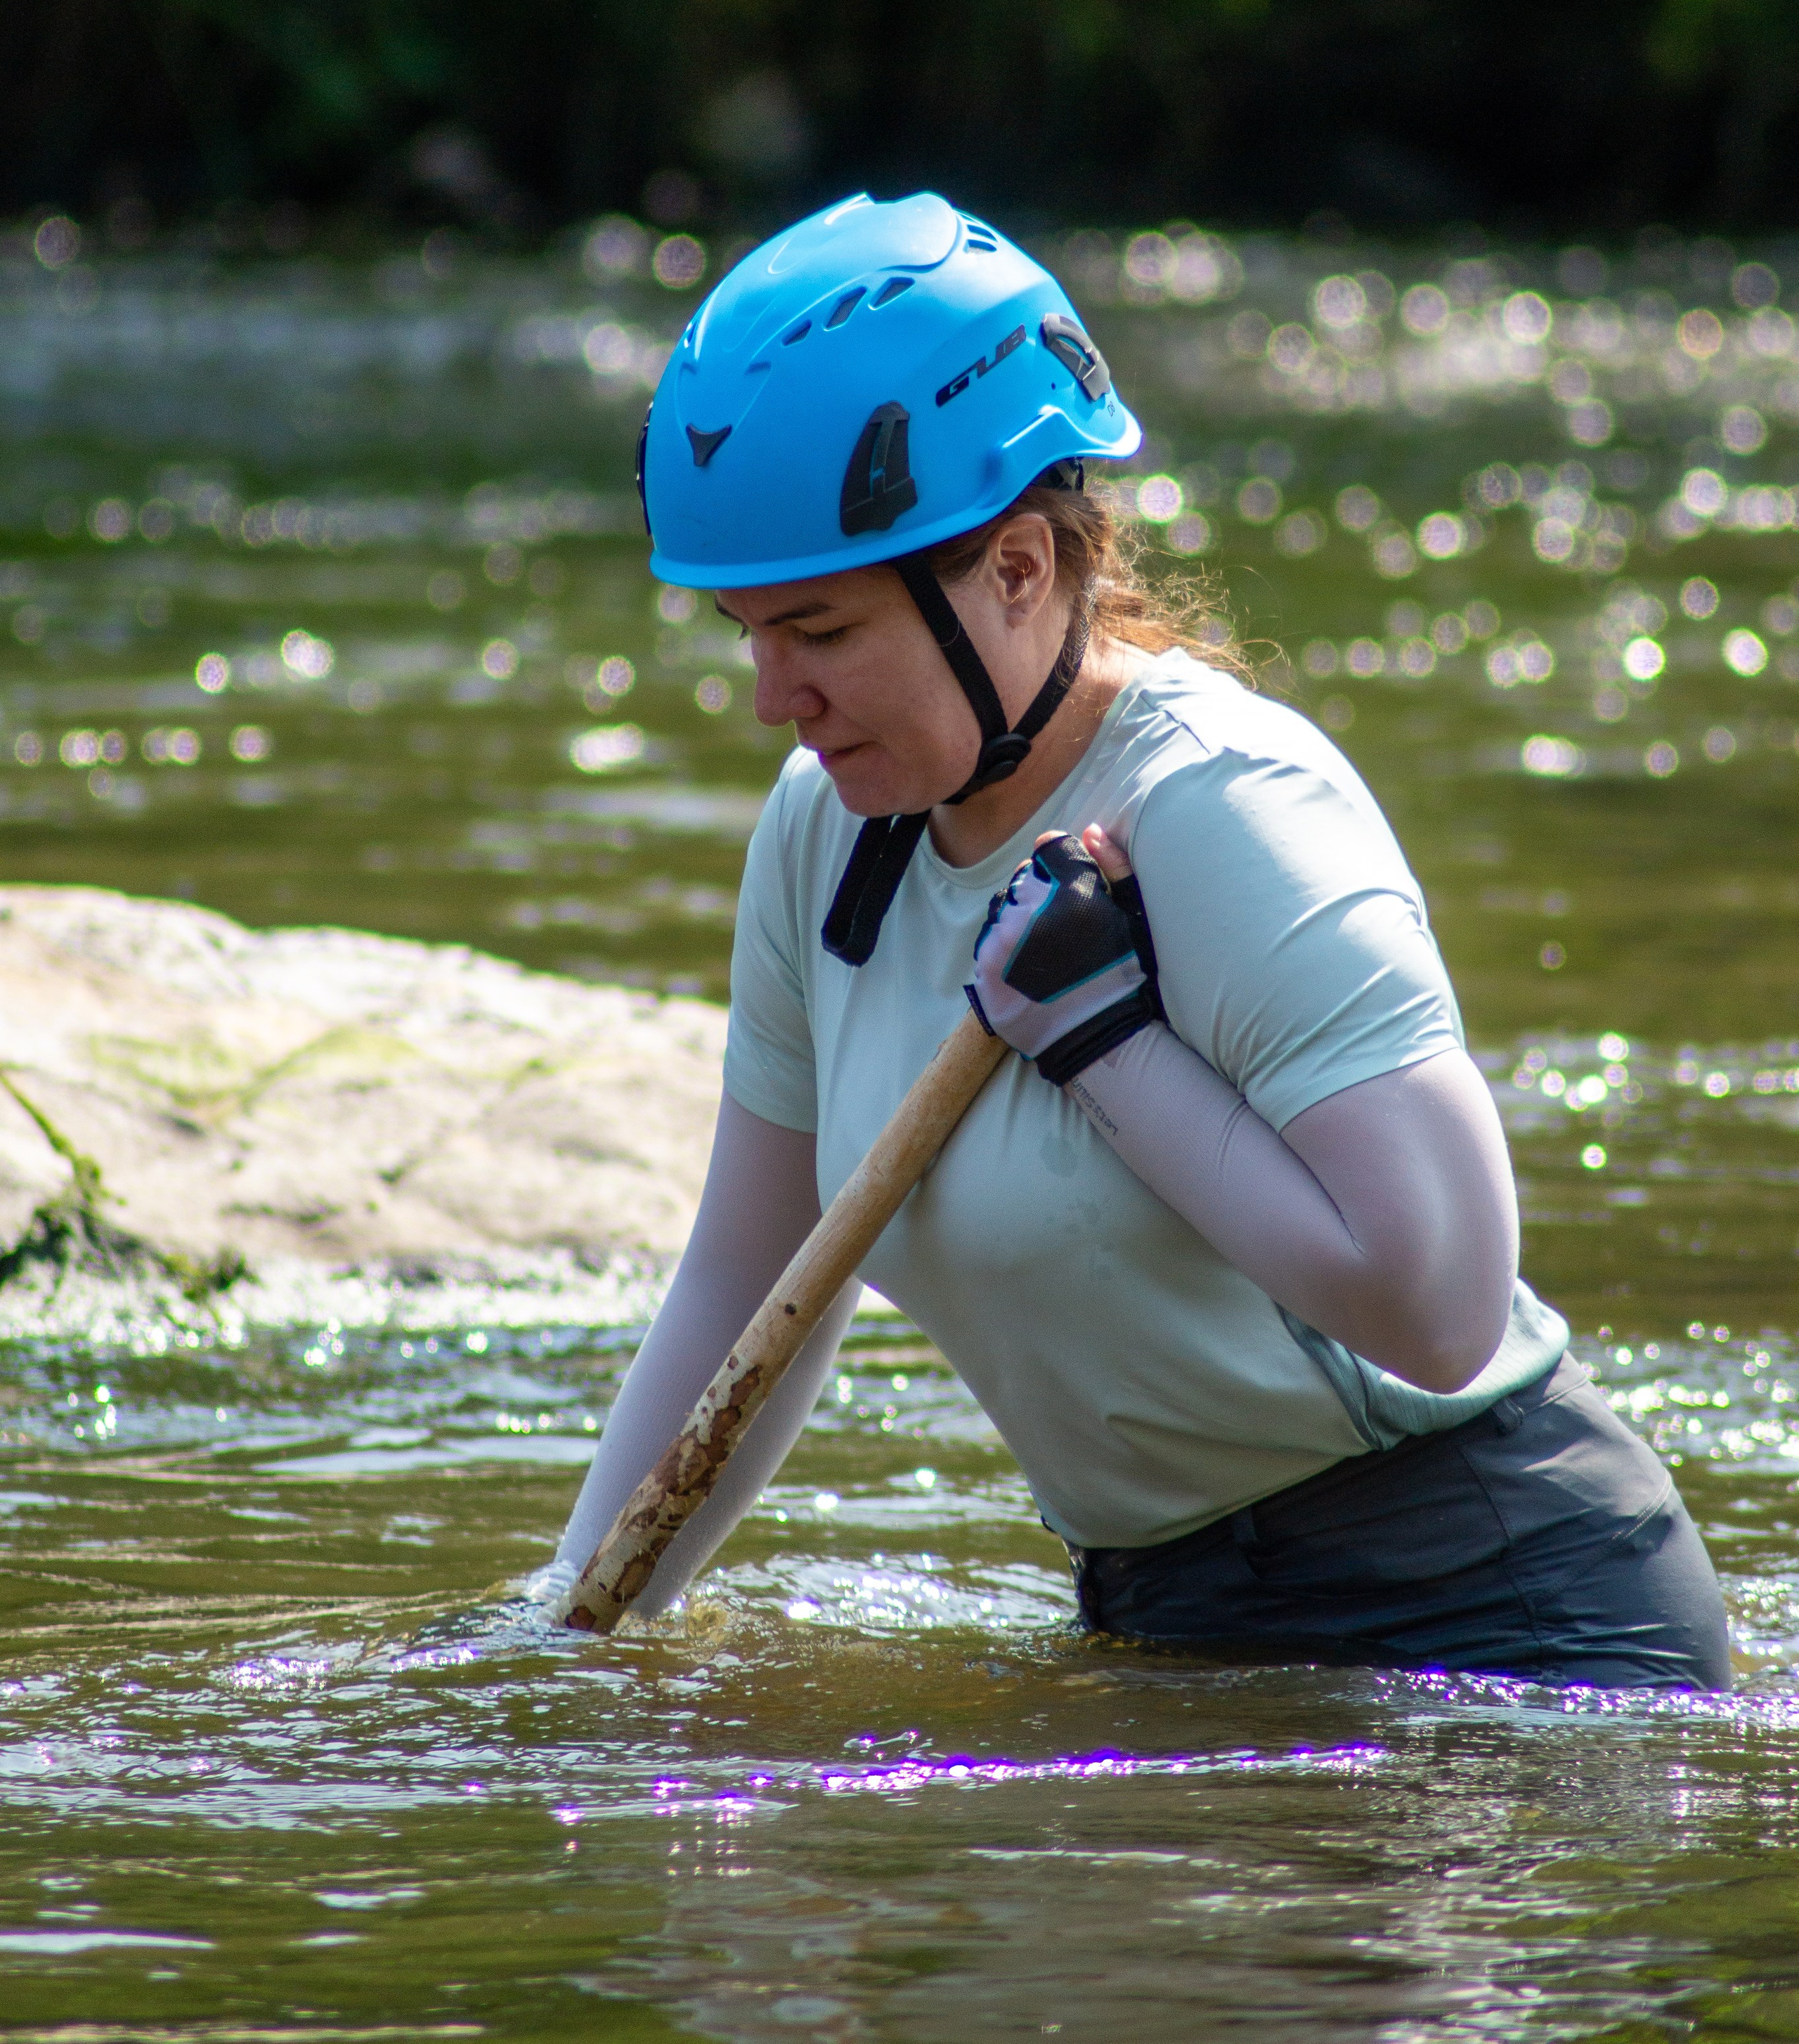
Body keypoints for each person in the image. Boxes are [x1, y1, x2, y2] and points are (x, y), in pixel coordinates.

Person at [550, 190, 1731, 1688]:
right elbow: (745, 1281)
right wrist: (581, 1617)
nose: (773, 695)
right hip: (1166, 1622)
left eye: (823, 634)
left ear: (1020, 571)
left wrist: (1108, 1041)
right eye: (750, 637)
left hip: (1494, 1622)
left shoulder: (1229, 810)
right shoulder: (821, 832)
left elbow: (1436, 1310)